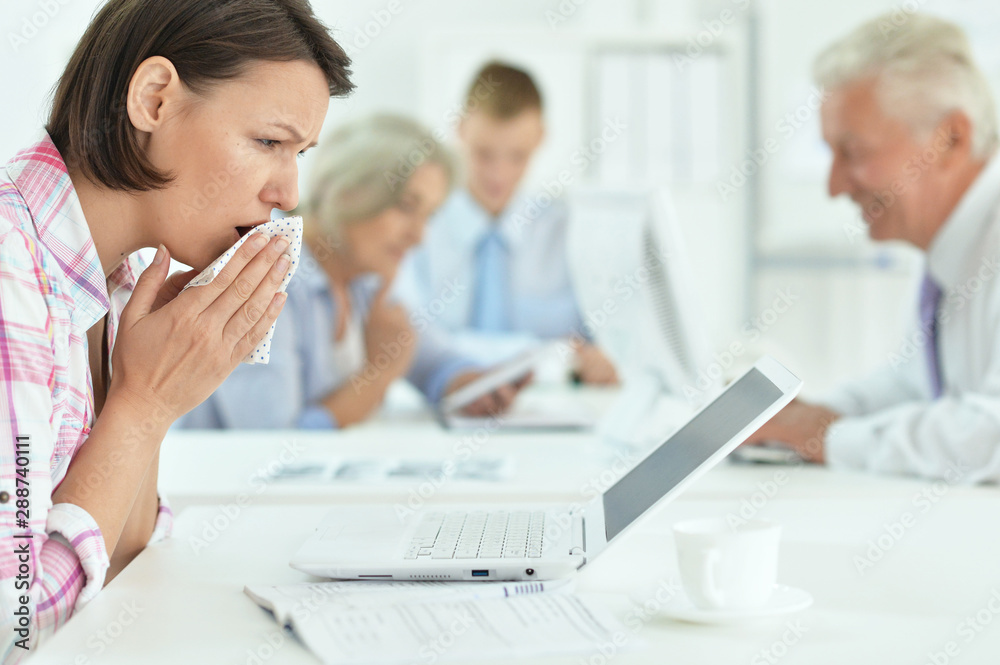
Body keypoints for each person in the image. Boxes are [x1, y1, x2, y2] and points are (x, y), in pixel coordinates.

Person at [0, 0, 352, 657]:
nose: (290, 193)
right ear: (155, 99)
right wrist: (145, 405)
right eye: (268, 142)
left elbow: (125, 562)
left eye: (300, 153)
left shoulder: (125, 276)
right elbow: (12, 620)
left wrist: (157, 394)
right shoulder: (9, 272)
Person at [746, 13, 1000, 483]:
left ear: (951, 139)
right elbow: (914, 388)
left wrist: (827, 436)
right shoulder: (951, 248)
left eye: (854, 152)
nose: (835, 186)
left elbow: (992, 434)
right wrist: (804, 418)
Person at [183, 115, 527, 429]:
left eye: (428, 215)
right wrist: (378, 374)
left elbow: (428, 356)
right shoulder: (267, 274)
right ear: (346, 193)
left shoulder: (362, 277)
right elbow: (276, 444)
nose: (419, 236)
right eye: (407, 207)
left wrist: (473, 385)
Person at [394, 61, 619, 384]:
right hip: (443, 401)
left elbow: (605, 341)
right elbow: (410, 341)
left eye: (517, 156)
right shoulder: (418, 229)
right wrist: (546, 354)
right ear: (460, 129)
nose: (499, 174)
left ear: (540, 138)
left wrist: (604, 360)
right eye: (484, 154)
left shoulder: (569, 232)